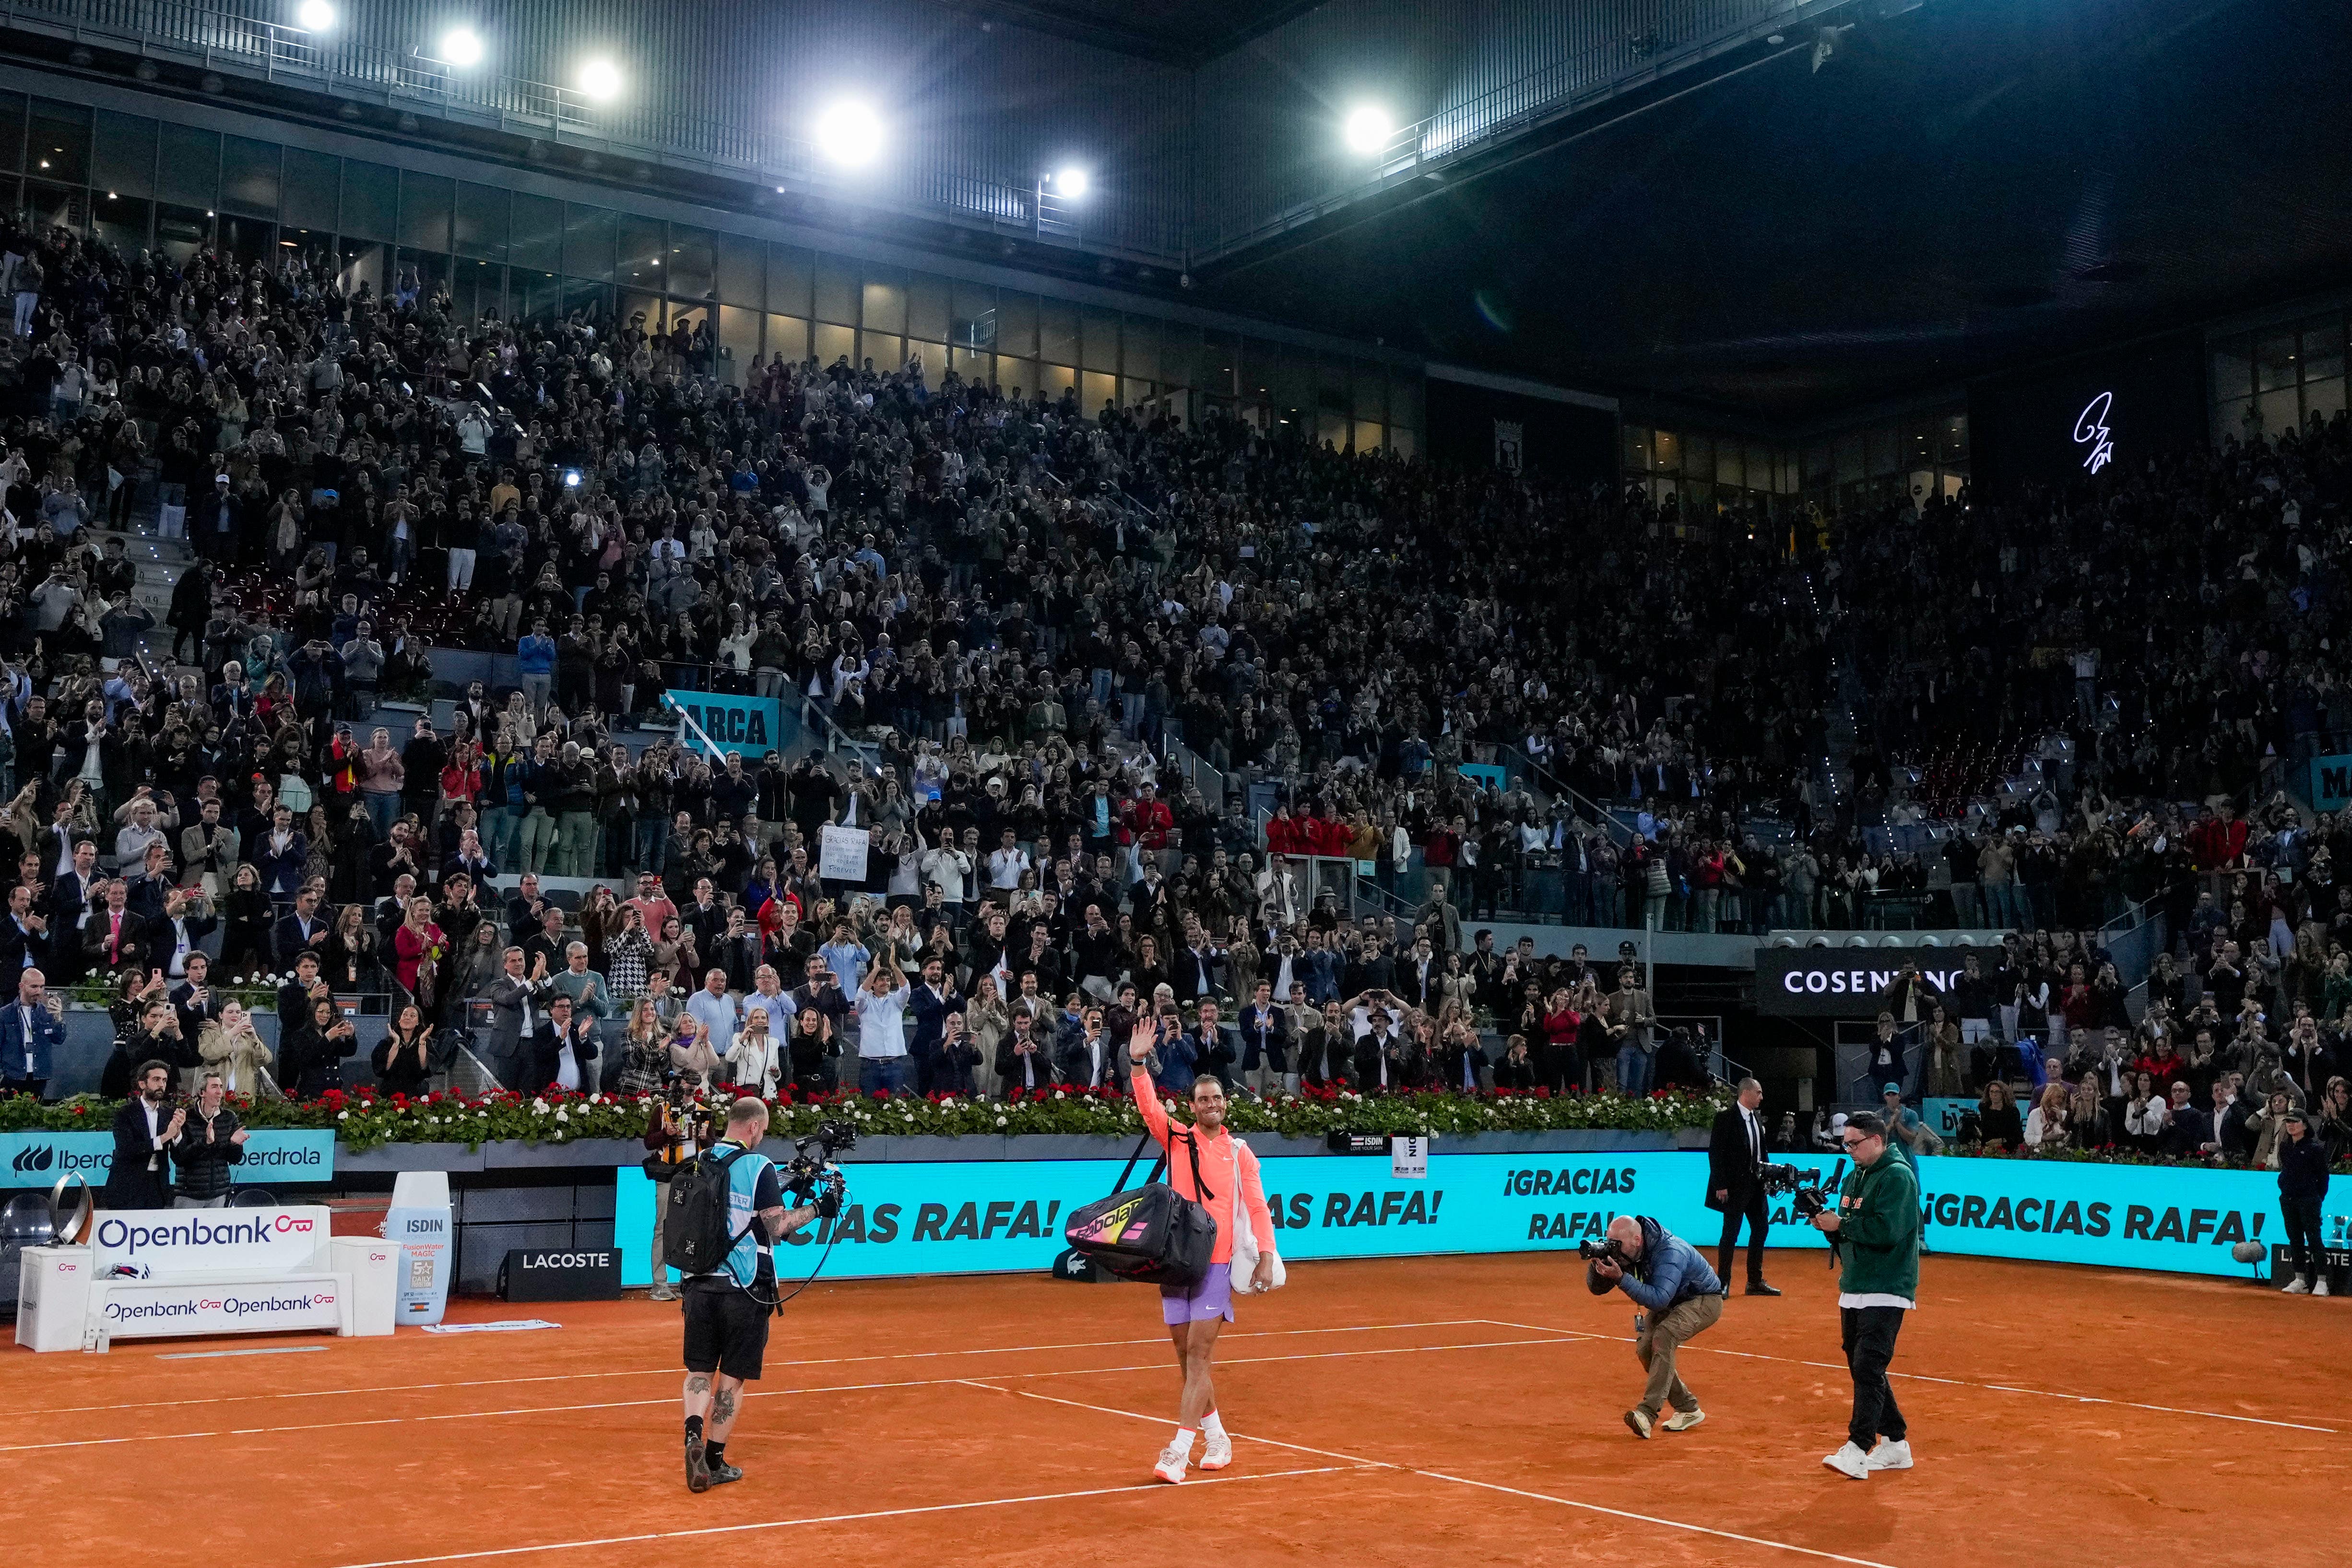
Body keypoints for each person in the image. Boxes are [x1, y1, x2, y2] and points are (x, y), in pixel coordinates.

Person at [1128, 1017, 1279, 1485]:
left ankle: (1177, 1450)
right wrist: (1137, 1062)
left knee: (1198, 1354)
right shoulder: (1175, 1136)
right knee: (1182, 1352)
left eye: (1218, 1098)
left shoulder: (1240, 1152)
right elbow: (1149, 1105)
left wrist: (1267, 1254)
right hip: (1175, 1258)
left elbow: (1256, 1205)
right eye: (1204, 1099)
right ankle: (1217, 1437)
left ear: (1225, 1103)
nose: (1212, 1104)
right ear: (1192, 1106)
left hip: (1217, 1262)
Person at [678, 1096, 819, 1493]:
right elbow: (779, 1226)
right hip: (746, 1287)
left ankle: (692, 1433)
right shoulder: (760, 1166)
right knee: (732, 1378)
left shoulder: (702, 1158)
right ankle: (714, 1459)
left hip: (700, 1283)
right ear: (754, 1127)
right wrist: (819, 1208)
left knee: (699, 1371)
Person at [1813, 1111, 1923, 1480]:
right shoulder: (1854, 1176)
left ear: (1877, 1139)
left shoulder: (1898, 1176)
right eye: (1845, 1144)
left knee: (1868, 1366)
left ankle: (1858, 1448)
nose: (1849, 1150)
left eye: (1854, 1143)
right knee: (1861, 1365)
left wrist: (1842, 1224)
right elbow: (1847, 1233)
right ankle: (1895, 1443)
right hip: (1855, 1284)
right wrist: (1827, 1225)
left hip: (1887, 1285)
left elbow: (1887, 1230)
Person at [1585, 1211, 1724, 1438]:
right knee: (1645, 1348)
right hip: (1672, 1300)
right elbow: (1597, 1289)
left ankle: (1647, 1415)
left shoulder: (1670, 1251)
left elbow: (1659, 1299)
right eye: (1610, 1242)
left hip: (1703, 1300)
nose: (1614, 1247)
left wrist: (1622, 1278)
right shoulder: (1630, 1250)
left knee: (1665, 1336)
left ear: (1637, 1240)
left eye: (1617, 1244)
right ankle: (1688, 1408)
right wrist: (1599, 1267)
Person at [1705, 1076, 1778, 1296]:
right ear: (1746, 1093)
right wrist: (1721, 1185)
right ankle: (1722, 1283)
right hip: (1734, 1188)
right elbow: (1716, 1154)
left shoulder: (1756, 1118)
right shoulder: (1725, 1118)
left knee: (1761, 1229)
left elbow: (1761, 1153)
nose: (1762, 1098)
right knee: (1730, 1235)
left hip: (1756, 1187)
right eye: (1759, 1093)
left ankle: (1754, 1282)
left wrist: (1768, 1178)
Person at [101, 1060, 181, 1209]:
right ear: (142, 1084)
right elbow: (127, 1149)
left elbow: (179, 1157)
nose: (161, 1085)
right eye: (156, 1080)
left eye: (164, 1080)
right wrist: (165, 1137)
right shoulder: (125, 1113)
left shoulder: (169, 1114)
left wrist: (177, 1135)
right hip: (128, 1187)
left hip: (158, 1187)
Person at [171, 1070, 248, 1207]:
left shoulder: (229, 1118)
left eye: (221, 1087)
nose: (220, 1092)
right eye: (214, 1087)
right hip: (189, 1196)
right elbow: (180, 1158)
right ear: (202, 1093)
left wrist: (234, 1144)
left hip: (219, 1195)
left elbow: (235, 1159)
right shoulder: (186, 1118)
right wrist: (205, 1143)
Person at [2276, 1108, 2332, 1295]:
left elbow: (2323, 1177)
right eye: (2288, 1122)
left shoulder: (2315, 1149)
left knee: (2315, 1238)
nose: (2291, 1125)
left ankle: (2322, 1281)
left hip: (2309, 1200)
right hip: (2288, 1199)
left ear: (2305, 1125)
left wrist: (2318, 1198)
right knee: (2295, 1239)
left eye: (2295, 1121)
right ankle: (2300, 1279)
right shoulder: (2284, 1147)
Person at [0, 966, 66, 1098]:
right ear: (22, 986)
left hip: (39, 1076)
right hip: (13, 1074)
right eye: (34, 987)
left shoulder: (47, 1013)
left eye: (42, 987)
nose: (39, 991)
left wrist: (58, 1018)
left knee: (35, 1116)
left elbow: (59, 1039)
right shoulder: (5, 1014)